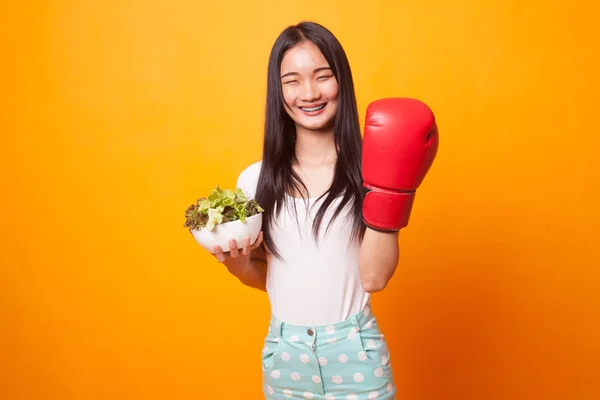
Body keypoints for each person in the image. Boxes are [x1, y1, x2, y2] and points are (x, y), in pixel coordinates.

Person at [211, 21, 438, 400]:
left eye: (323, 75)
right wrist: (238, 266)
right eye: (293, 80)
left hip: (355, 350)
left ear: (341, 82)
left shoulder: (372, 171)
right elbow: (269, 276)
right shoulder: (255, 181)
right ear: (277, 89)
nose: (310, 92)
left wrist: (392, 188)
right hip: (285, 354)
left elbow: (375, 278)